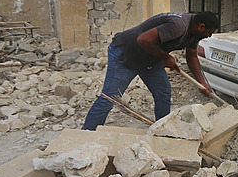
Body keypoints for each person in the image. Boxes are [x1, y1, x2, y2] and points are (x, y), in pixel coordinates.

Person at [82, 11, 219, 131]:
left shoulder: (195, 34)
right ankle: (86, 133)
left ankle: (162, 130)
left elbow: (191, 55)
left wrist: (202, 83)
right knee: (110, 97)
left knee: (163, 93)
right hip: (126, 53)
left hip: (150, 58)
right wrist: (166, 57)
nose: (209, 36)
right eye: (209, 32)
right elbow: (144, 39)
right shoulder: (178, 26)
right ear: (201, 27)